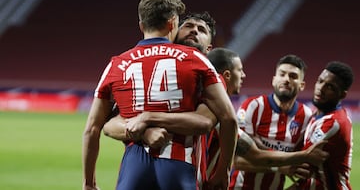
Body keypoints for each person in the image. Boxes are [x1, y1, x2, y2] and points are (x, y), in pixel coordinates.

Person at [104, 48, 329, 190]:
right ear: (226, 75)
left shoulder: (203, 109)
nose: (245, 75)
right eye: (240, 70)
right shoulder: (217, 113)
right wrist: (304, 156)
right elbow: (252, 155)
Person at [82, 0, 238, 190]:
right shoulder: (196, 63)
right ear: (173, 24)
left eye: (201, 29)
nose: (193, 32)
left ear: (141, 25)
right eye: (187, 26)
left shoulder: (118, 63)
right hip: (181, 163)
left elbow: (96, 127)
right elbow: (219, 120)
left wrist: (88, 183)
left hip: (133, 165)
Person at [231, 54, 313, 190]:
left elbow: (302, 164)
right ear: (274, 80)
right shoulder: (253, 106)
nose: (286, 79)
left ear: (302, 85)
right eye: (282, 74)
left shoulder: (306, 116)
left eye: (293, 76)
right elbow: (237, 161)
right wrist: (279, 167)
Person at [290, 61, 354, 190]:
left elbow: (300, 162)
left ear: (342, 95)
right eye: (320, 81)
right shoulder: (316, 115)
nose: (321, 88)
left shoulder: (334, 122)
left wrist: (256, 156)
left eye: (330, 87)